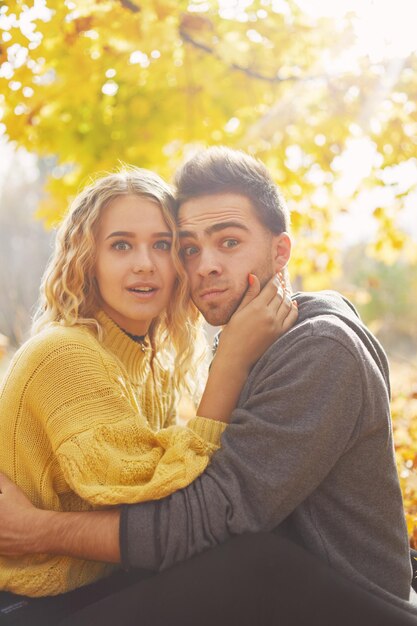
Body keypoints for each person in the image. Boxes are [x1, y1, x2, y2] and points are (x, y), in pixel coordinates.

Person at [1, 147, 417, 626]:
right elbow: (176, 498)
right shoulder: (79, 353)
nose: (205, 266)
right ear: (85, 259)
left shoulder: (318, 349)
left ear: (280, 251)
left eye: (229, 242)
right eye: (191, 248)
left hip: (352, 604)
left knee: (249, 557)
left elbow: (199, 517)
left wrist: (37, 530)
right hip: (40, 595)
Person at [0, 165, 297, 600]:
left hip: (105, 586)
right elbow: (162, 505)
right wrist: (230, 360)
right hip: (35, 601)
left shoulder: (149, 358)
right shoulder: (66, 354)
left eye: (163, 245)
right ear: (88, 260)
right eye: (121, 245)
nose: (145, 264)